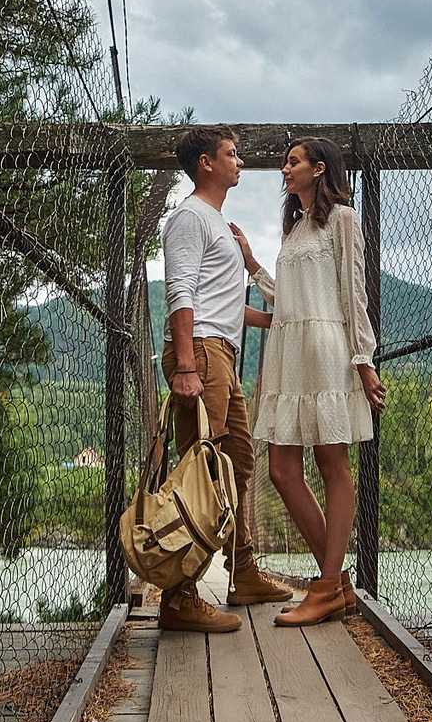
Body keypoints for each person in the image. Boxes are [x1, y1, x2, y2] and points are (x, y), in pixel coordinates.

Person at [157, 126, 300, 633]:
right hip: (202, 353)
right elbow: (182, 292)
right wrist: (188, 366)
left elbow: (225, 306)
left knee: (238, 461)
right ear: (206, 164)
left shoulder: (217, 223)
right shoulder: (189, 218)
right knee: (200, 467)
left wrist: (278, 317)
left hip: (222, 351)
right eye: (231, 154)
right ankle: (179, 595)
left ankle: (241, 572)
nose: (240, 162)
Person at [249, 137, 384, 626]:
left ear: (319, 168)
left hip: (327, 353)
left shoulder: (343, 219)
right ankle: (337, 583)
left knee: (333, 462)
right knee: (282, 470)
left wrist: (364, 362)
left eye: (293, 162)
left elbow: (353, 293)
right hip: (290, 353)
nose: (285, 169)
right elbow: (287, 297)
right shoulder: (296, 228)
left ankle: (325, 587)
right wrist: (252, 265)